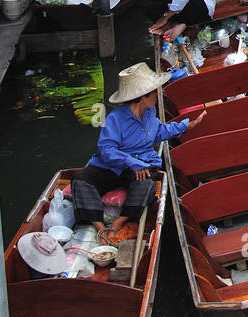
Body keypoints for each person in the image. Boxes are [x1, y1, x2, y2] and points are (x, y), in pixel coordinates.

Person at [70, 62, 206, 245]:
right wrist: (130, 161)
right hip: (112, 166)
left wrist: (186, 126)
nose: (158, 95)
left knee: (146, 185)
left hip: (143, 164)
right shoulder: (115, 119)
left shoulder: (150, 113)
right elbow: (106, 150)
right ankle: (100, 227)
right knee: (80, 181)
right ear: (143, 97)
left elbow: (159, 132)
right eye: (154, 92)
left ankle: (117, 224)